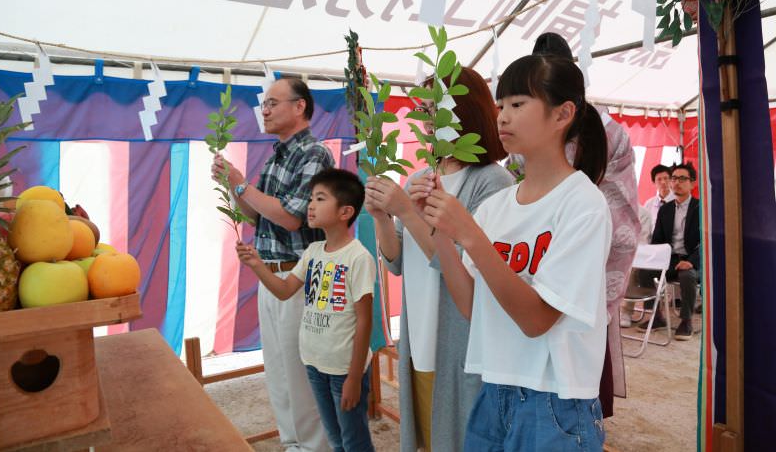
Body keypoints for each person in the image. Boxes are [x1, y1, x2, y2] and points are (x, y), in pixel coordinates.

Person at [414, 54, 611, 450]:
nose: (502, 116)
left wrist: (469, 234)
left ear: (563, 114)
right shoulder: (497, 206)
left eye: (518, 104)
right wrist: (440, 232)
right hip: (494, 386)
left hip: (555, 398)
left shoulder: (583, 204)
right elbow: (472, 306)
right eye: (500, 105)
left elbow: (537, 319)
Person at [364, 67, 512, 452]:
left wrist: (407, 212)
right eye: (423, 112)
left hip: (458, 335)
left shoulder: (492, 181)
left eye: (434, 112)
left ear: (463, 110)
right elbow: (395, 259)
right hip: (421, 328)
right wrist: (382, 216)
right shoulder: (423, 173)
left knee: (459, 433)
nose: (426, 123)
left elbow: (463, 266)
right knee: (430, 433)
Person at [520, 31, 640, 418]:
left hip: (577, 260)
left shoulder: (609, 133)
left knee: (569, 393)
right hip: (541, 262)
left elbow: (619, 217)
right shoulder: (529, 127)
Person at [212, 78, 333, 452]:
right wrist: (233, 185)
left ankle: (314, 447)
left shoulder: (314, 153)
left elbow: (293, 217)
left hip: (299, 276)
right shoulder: (278, 154)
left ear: (300, 107)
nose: (264, 110)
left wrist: (242, 184)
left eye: (273, 103)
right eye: (264, 104)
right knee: (279, 372)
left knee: (300, 373)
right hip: (271, 273)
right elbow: (255, 216)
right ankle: (292, 443)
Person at [236, 169, 375, 452]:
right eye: (311, 198)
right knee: (334, 437)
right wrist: (257, 265)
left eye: (320, 198)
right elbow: (285, 291)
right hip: (314, 363)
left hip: (343, 369)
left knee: (354, 441)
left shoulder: (358, 257)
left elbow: (364, 321)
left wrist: (353, 377)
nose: (310, 205)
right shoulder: (312, 252)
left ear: (345, 211)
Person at [637, 162, 700, 340]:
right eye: (674, 178)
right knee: (644, 272)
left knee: (688, 275)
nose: (676, 182)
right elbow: (657, 240)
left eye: (682, 178)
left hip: (692, 259)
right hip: (670, 258)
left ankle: (686, 320)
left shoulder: (700, 208)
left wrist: (692, 261)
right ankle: (656, 317)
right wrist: (654, 258)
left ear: (692, 183)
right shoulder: (665, 209)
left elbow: (705, 242)